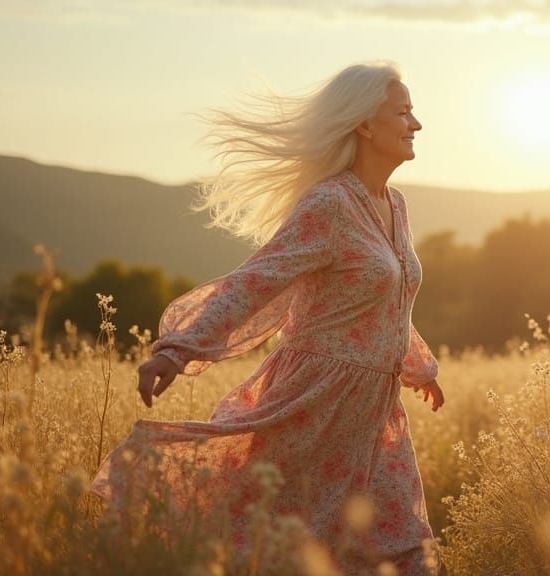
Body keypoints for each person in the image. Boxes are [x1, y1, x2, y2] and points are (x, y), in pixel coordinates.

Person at [90, 61, 445, 575]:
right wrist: (179, 347)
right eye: (405, 112)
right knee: (288, 546)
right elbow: (257, 280)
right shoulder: (328, 204)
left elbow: (384, 300)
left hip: (376, 413)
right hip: (315, 402)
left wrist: (418, 367)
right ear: (365, 124)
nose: (416, 124)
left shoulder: (396, 204)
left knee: (406, 550)